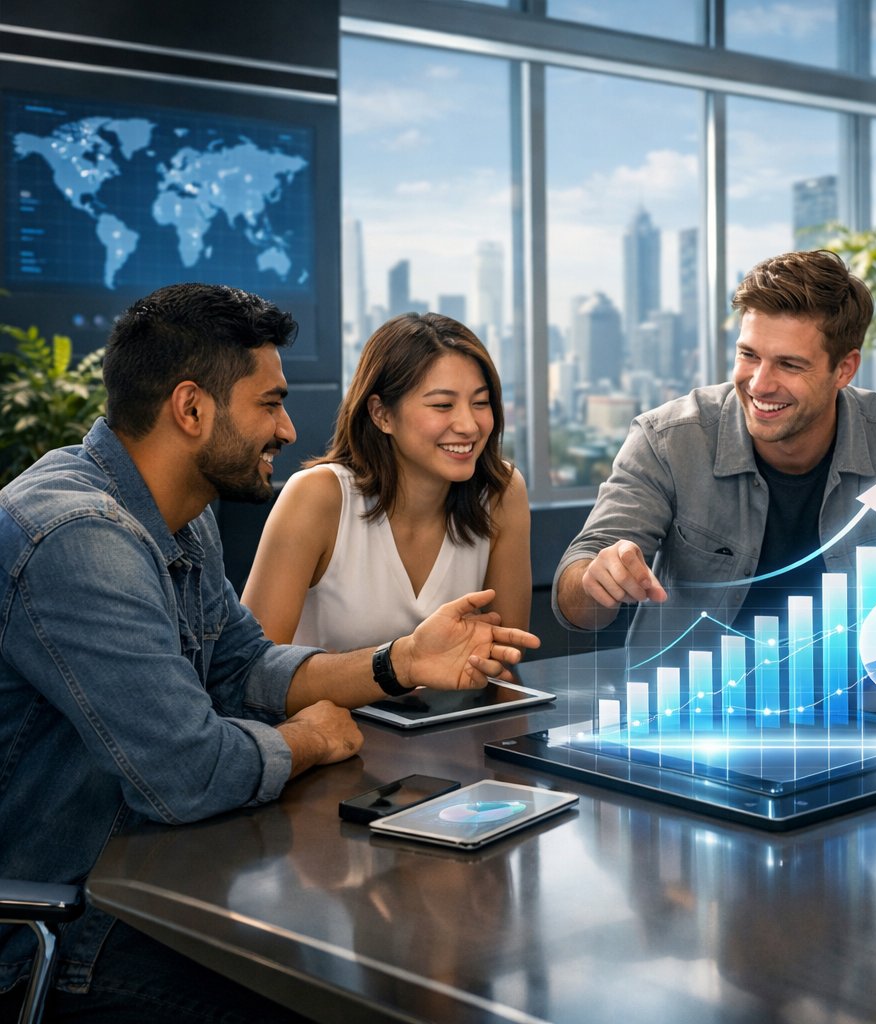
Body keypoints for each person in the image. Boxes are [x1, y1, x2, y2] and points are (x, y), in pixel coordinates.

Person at [0, 284, 536, 1021]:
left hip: (154, 876)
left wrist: (399, 662)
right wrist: (307, 739)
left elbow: (245, 665)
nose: (288, 428)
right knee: (334, 1001)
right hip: (68, 934)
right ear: (191, 410)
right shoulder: (81, 538)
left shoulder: (178, 518)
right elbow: (188, 773)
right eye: (270, 403)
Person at [553, 248, 876, 655]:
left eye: (789, 364)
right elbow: (575, 591)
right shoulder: (666, 439)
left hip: (857, 713)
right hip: (690, 716)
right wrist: (597, 581)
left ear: (844, 368)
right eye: (749, 355)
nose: (760, 384)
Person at [242, 312, 531, 650]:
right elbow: (252, 672)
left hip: (463, 704)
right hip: (326, 706)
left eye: (480, 403)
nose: (468, 425)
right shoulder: (317, 496)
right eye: (442, 405)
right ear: (381, 414)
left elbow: (507, 656)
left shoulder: (501, 492)